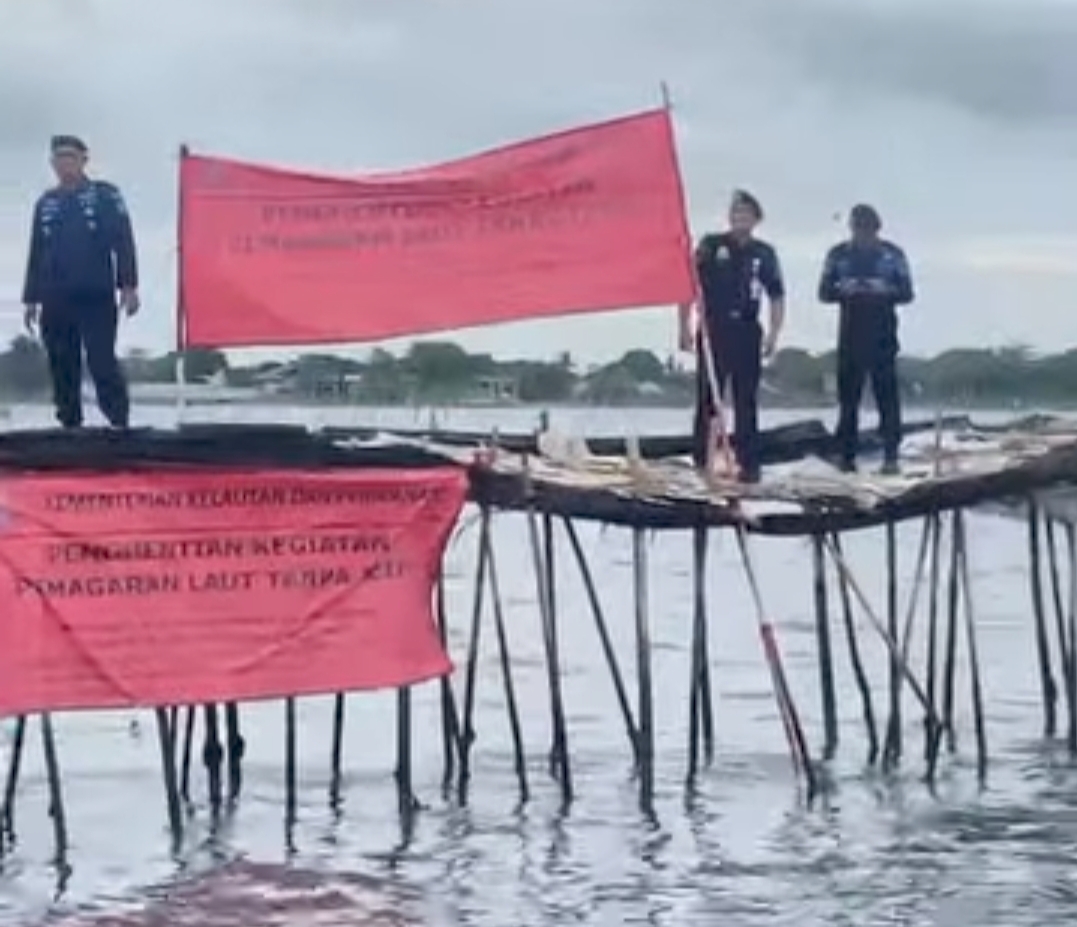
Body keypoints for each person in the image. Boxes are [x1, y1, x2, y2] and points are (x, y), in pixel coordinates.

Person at [21, 135, 140, 429]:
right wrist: (31, 298)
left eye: (70, 157)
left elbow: (123, 240)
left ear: (84, 160)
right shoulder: (45, 203)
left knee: (101, 361)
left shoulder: (106, 195)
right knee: (62, 364)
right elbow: (36, 250)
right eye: (58, 158)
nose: (64, 163)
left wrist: (128, 285)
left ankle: (119, 423)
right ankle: (69, 425)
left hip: (95, 294)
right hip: (54, 296)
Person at [680, 190, 785, 483]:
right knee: (708, 397)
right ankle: (702, 459)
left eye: (746, 214)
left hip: (747, 329)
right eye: (735, 212)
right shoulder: (712, 246)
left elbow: (776, 295)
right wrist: (684, 326)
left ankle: (749, 463)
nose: (740, 218)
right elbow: (688, 283)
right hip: (714, 327)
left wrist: (774, 334)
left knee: (745, 399)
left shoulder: (764, 253)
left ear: (755, 219)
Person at [817, 204, 914, 475]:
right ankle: (846, 457)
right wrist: (847, 289)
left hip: (883, 333)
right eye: (858, 228)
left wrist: (881, 289)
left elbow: (907, 293)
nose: (862, 234)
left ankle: (891, 455)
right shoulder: (838, 255)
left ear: (876, 229)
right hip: (850, 332)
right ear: (851, 228)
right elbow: (824, 292)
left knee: (887, 397)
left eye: (867, 229)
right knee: (849, 399)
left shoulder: (892, 255)